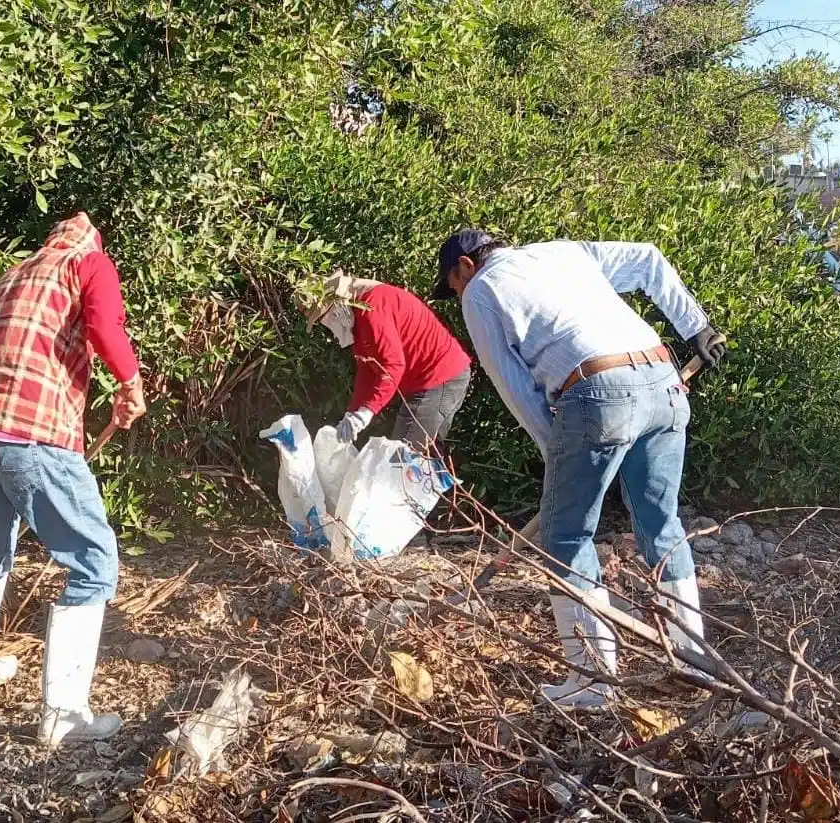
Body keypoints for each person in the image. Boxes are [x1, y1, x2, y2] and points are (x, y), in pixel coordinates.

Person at [432, 229, 726, 708]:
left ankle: (592, 681)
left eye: (454, 285)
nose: (458, 295)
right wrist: (697, 327)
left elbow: (513, 384)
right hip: (663, 379)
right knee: (661, 522)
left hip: (596, 390)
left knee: (566, 534)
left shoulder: (482, 290)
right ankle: (694, 660)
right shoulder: (562, 253)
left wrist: (558, 449)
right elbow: (649, 259)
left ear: (466, 266)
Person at [0, 212, 147, 747]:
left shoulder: (16, 272)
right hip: (28, 429)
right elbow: (106, 328)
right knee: (94, 556)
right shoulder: (90, 262)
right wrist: (129, 383)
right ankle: (64, 716)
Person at [299, 273, 472, 457]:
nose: (326, 324)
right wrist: (352, 412)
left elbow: (393, 365)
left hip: (439, 378)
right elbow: (368, 369)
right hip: (433, 380)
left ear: (337, 305)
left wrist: (365, 412)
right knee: (423, 458)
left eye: (324, 317)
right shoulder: (359, 318)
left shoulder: (371, 311)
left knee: (401, 459)